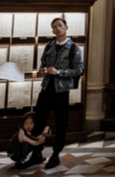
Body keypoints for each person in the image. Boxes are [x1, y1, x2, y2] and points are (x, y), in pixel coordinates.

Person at [28, 17, 84, 169]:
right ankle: (36, 153)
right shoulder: (49, 46)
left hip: (61, 91)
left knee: (61, 124)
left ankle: (55, 155)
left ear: (66, 28)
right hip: (46, 88)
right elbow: (43, 62)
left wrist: (59, 71)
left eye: (60, 25)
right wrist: (42, 70)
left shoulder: (74, 48)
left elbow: (78, 70)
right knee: (39, 121)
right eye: (55, 26)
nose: (58, 28)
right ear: (52, 30)